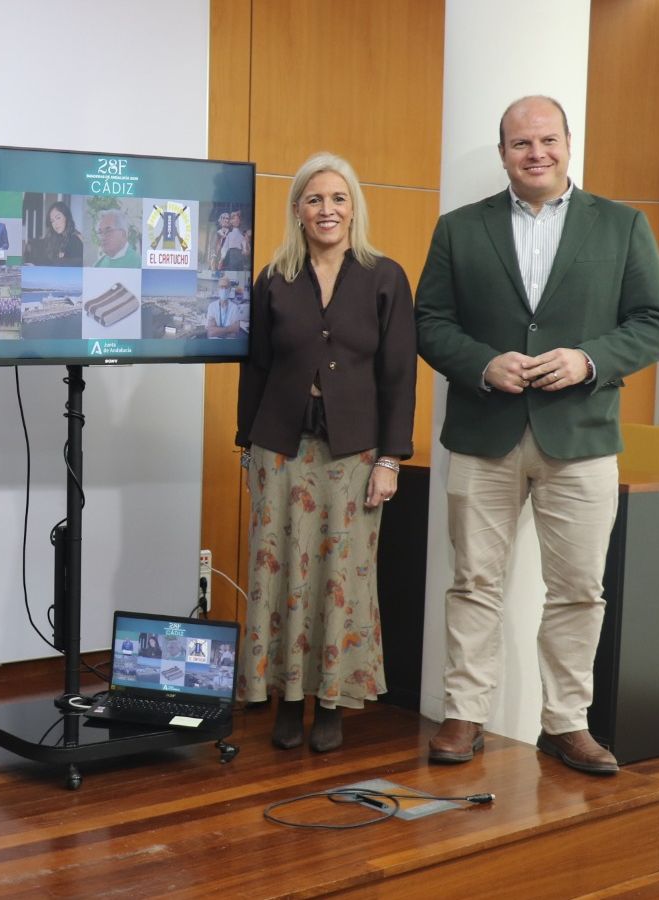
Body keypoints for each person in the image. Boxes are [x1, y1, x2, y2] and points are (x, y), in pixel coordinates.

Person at [416, 96, 659, 774]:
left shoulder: (621, 225)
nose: (536, 153)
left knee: (579, 590)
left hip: (583, 436)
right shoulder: (458, 229)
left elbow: (656, 322)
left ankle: (565, 723)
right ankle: (464, 714)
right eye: (521, 143)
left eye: (547, 140)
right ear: (503, 152)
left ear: (568, 142)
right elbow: (430, 323)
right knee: (473, 582)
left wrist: (588, 360)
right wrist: (482, 364)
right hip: (485, 433)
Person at [235, 152, 416, 753]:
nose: (327, 209)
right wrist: (246, 448)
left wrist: (391, 459)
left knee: (342, 575)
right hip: (280, 450)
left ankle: (331, 701)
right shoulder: (274, 278)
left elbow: (399, 375)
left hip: (354, 457)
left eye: (338, 198)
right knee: (280, 572)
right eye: (314, 199)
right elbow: (255, 369)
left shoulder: (384, 277)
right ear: (298, 210)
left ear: (353, 208)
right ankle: (288, 700)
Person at [31, 199, 82, 266]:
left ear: (66, 217)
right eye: (52, 221)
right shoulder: (55, 239)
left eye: (58, 218)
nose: (55, 224)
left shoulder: (74, 240)